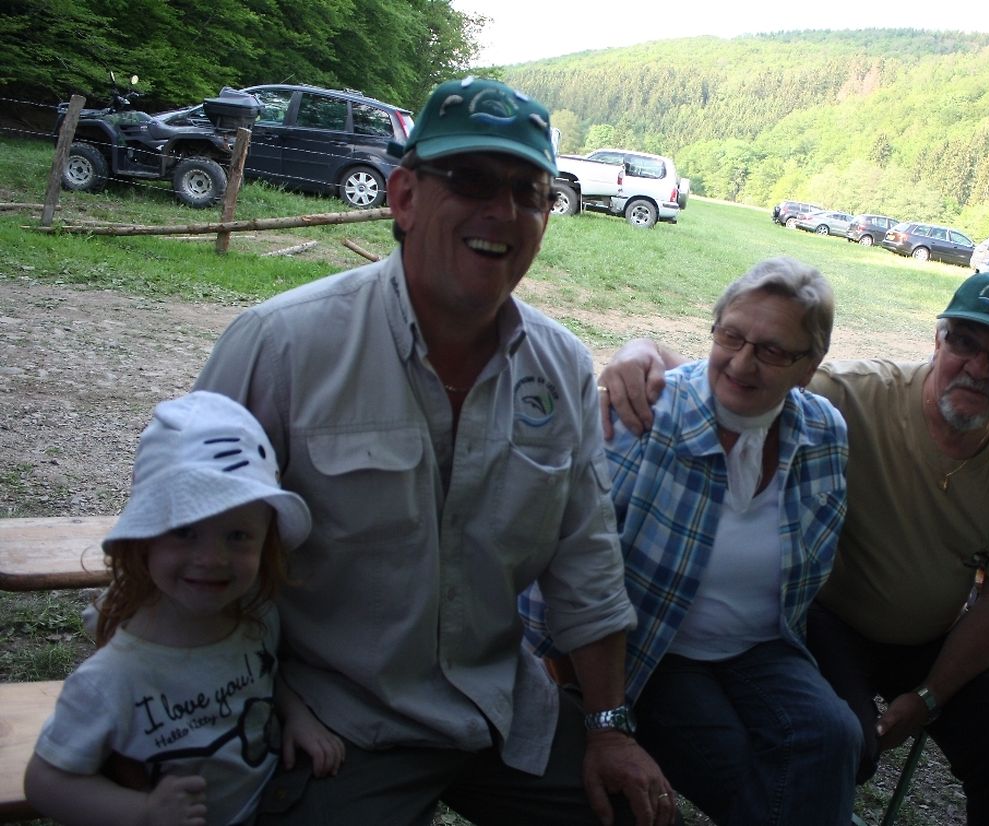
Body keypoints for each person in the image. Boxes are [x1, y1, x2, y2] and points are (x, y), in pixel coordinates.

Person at [193, 76, 675, 826]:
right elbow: (186, 544)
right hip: (335, 716)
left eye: (529, 192)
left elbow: (585, 560)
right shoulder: (280, 345)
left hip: (497, 707)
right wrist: (268, 693)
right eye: (472, 180)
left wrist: (609, 728)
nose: (503, 211)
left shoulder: (560, 368)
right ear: (404, 197)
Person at [601, 272, 989, 825]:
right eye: (964, 342)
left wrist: (929, 697)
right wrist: (644, 350)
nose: (978, 368)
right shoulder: (856, 394)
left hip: (926, 636)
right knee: (845, 746)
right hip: (831, 621)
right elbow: (740, 376)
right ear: (937, 341)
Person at [525, 258, 861, 825]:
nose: (742, 362)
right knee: (736, 766)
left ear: (809, 366)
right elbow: (566, 565)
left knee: (836, 735)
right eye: (731, 336)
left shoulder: (824, 432)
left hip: (762, 644)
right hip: (654, 648)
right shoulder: (646, 417)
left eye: (772, 350)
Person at [24, 390, 342, 826]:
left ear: (265, 542)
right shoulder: (111, 680)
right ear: (144, 540)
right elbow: (45, 782)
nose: (211, 558)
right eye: (184, 532)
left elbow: (263, 673)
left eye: (237, 536)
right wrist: (143, 812)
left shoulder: (256, 618)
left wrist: (296, 715)